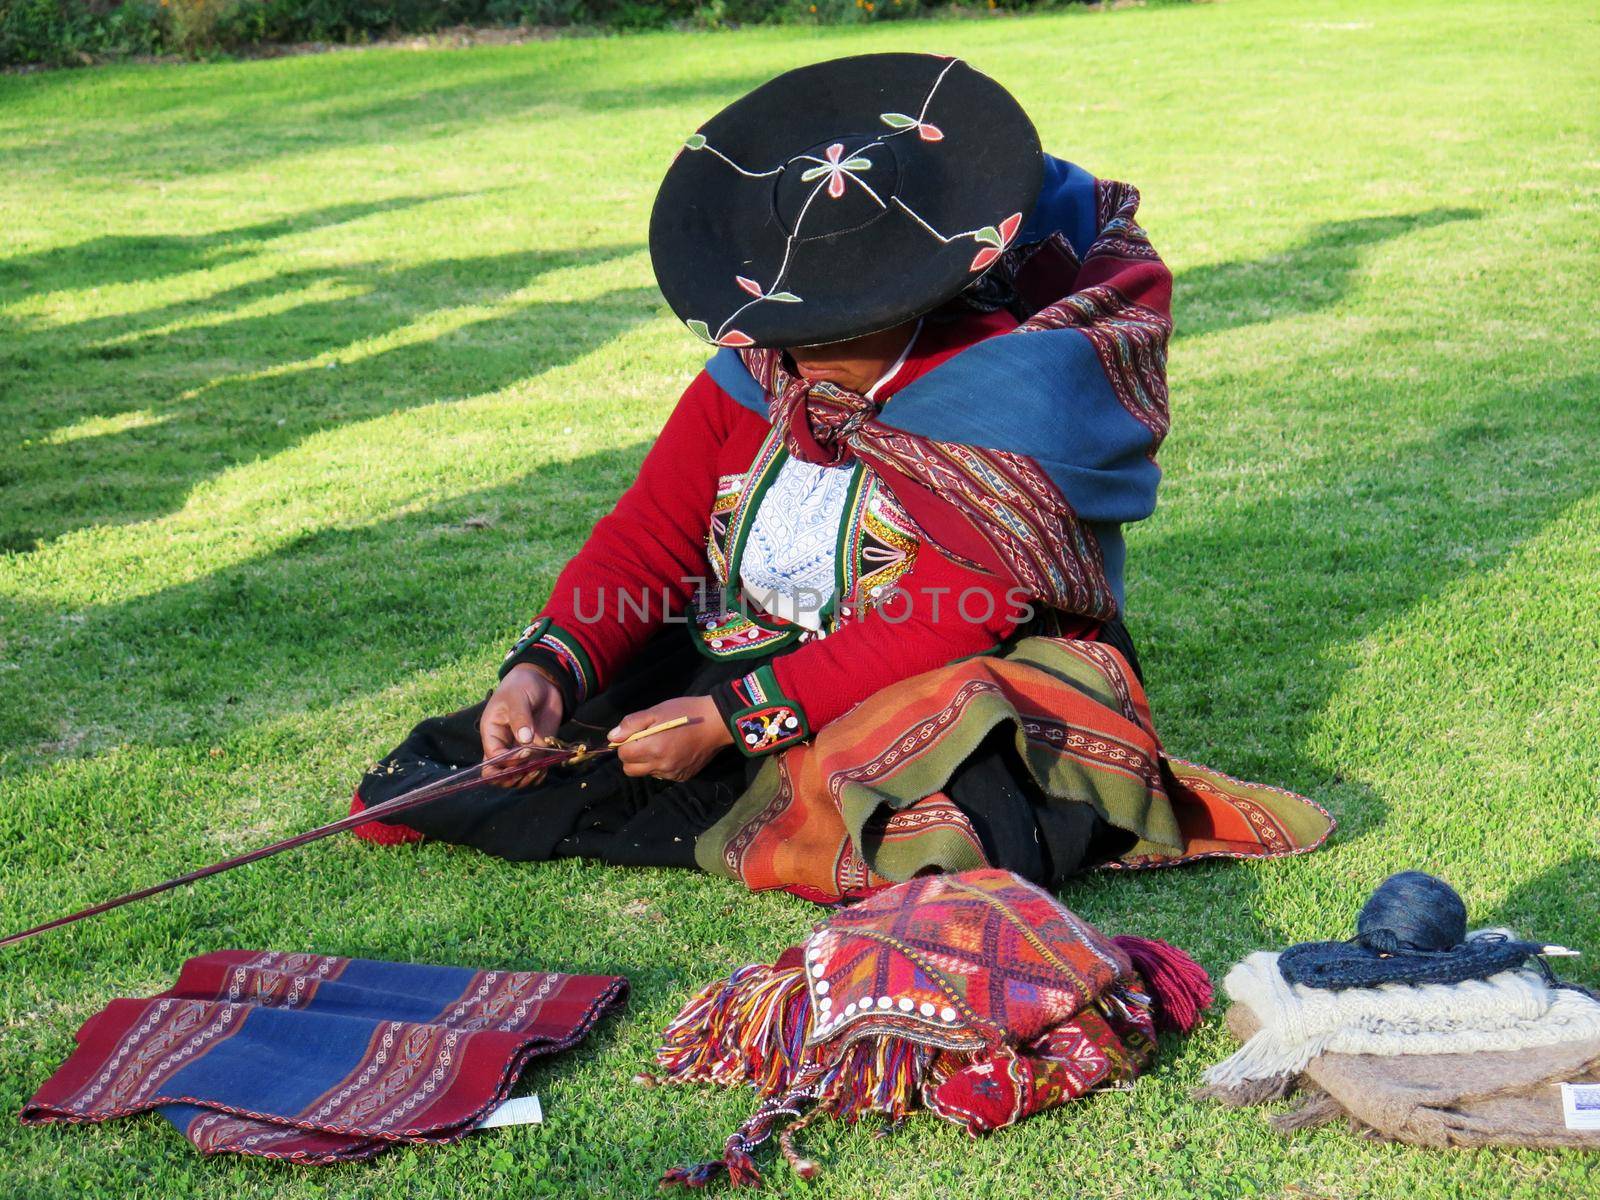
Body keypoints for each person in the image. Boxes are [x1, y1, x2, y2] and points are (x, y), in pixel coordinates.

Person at [351, 53, 1332, 897]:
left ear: (915, 288)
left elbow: (961, 606)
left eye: (832, 323)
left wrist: (733, 718)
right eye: (789, 319)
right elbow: (651, 537)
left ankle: (783, 780)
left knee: (965, 812)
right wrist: (547, 667)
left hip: (954, 669)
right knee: (489, 768)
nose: (796, 348)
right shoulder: (754, 370)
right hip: (764, 645)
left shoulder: (994, 394)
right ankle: (749, 774)